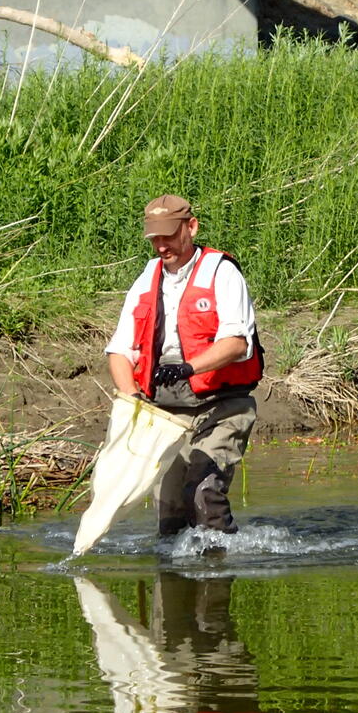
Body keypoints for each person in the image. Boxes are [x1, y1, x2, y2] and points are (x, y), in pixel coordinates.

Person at [105, 194, 262, 537]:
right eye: (154, 239)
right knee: (171, 516)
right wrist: (133, 400)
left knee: (203, 495)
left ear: (191, 227)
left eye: (169, 236)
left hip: (222, 405)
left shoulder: (222, 272)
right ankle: (175, 577)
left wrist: (189, 368)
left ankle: (216, 569)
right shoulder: (147, 277)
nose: (161, 246)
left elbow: (237, 343)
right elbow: (120, 349)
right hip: (166, 412)